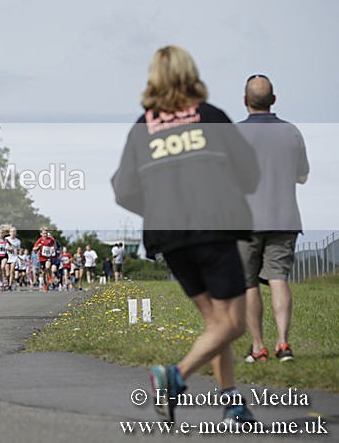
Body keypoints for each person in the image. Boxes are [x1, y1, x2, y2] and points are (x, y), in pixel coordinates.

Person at [111, 45, 260, 425]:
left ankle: (231, 404)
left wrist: (160, 207)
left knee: (216, 325)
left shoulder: (141, 127)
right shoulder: (210, 117)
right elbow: (249, 172)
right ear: (190, 73)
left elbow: (123, 189)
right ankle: (173, 376)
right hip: (212, 230)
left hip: (171, 239)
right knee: (233, 323)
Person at [236, 74, 309, 363]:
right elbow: (302, 176)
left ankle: (258, 348)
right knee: (279, 279)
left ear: (245, 101)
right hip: (284, 217)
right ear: (274, 100)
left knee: (249, 283)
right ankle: (283, 344)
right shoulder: (291, 132)